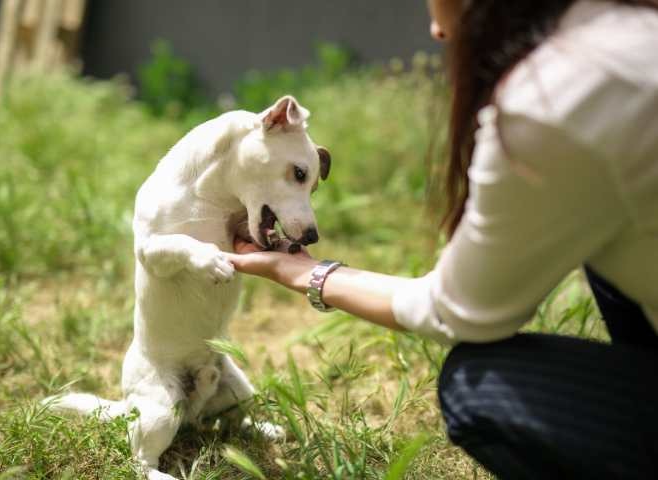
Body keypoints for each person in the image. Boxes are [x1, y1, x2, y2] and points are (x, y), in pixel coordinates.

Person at [225, 0, 658, 478]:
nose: (435, 28)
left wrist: (303, 272)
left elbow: (459, 312)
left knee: (476, 386)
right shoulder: (634, 30)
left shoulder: (554, 102)